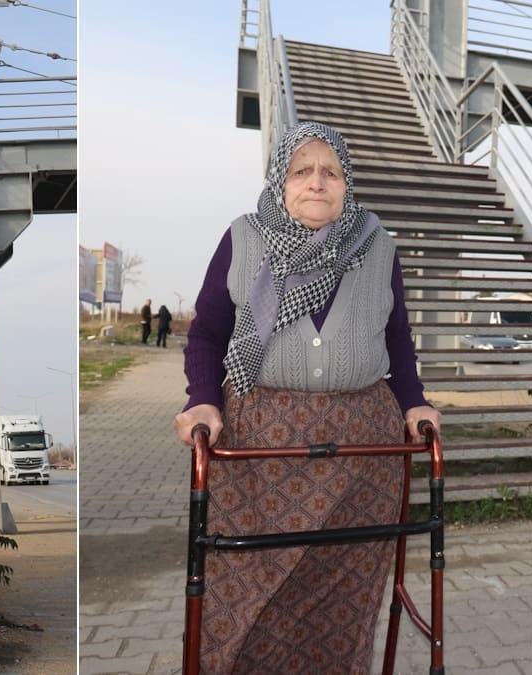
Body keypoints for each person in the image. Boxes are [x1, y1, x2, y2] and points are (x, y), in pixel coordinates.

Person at [172, 121, 441, 673]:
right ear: (280, 181)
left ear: (347, 184)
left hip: (360, 453)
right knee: (246, 587)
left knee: (341, 595)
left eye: (331, 172)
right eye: (302, 171)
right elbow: (207, 333)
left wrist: (413, 401)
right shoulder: (244, 238)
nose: (316, 183)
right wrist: (202, 399)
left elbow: (396, 337)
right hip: (259, 447)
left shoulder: (377, 245)